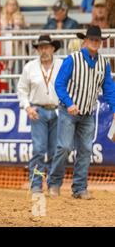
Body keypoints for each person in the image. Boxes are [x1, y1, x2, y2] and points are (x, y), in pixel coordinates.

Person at [49, 26, 115, 199]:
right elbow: (59, 84)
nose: (95, 42)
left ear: (100, 42)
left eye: (98, 40)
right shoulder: (72, 59)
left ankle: (79, 188)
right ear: (85, 41)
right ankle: (54, 183)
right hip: (68, 111)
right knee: (64, 147)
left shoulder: (104, 63)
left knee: (86, 149)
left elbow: (109, 88)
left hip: (87, 113)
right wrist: (69, 103)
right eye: (92, 39)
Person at [17, 35, 63, 194]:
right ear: (38, 50)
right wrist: (28, 107)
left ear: (52, 48)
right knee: (39, 150)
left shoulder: (62, 65)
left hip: (58, 111)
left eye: (47, 47)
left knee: (55, 151)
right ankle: (36, 184)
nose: (44, 50)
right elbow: (21, 90)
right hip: (38, 112)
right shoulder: (29, 67)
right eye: (41, 48)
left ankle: (53, 184)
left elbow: (70, 87)